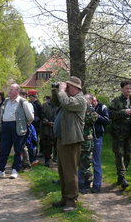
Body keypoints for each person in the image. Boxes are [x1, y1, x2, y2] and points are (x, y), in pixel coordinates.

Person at [51, 76, 86, 212]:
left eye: (69, 86)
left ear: (77, 88)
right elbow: (56, 102)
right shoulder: (67, 98)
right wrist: (56, 91)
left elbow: (65, 102)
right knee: (62, 171)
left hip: (72, 140)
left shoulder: (80, 100)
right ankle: (65, 198)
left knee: (70, 172)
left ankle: (71, 202)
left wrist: (61, 91)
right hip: (62, 139)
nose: (66, 88)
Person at [0, 83, 34, 179]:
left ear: (17, 91)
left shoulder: (23, 102)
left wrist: (24, 124)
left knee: (18, 150)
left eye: (11, 89)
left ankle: (15, 170)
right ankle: (0, 170)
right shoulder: (6, 101)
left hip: (18, 127)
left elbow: (30, 117)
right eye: (9, 89)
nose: (9, 91)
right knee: (3, 149)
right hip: (6, 127)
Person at [109, 80, 131, 189]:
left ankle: (121, 175)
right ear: (122, 89)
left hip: (130, 133)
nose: (129, 90)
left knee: (128, 155)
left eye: (130, 88)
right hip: (118, 133)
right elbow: (111, 114)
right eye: (127, 88)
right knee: (119, 155)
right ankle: (122, 177)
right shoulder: (116, 101)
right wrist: (124, 112)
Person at [78, 93, 98, 194]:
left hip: (87, 142)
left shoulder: (92, 111)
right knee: (79, 163)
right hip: (78, 140)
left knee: (86, 163)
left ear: (90, 101)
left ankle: (87, 183)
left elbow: (91, 120)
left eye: (86, 99)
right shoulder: (80, 110)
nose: (84, 101)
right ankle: (80, 184)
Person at [91, 95, 110, 193]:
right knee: (84, 161)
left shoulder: (103, 107)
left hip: (97, 137)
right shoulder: (85, 107)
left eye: (93, 101)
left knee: (96, 161)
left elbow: (107, 121)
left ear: (96, 100)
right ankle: (83, 183)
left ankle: (97, 185)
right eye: (90, 101)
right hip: (86, 137)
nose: (92, 103)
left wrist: (97, 116)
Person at [40, 95, 57, 167]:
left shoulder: (59, 106)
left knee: (56, 145)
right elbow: (42, 116)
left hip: (56, 129)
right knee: (47, 145)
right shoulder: (45, 105)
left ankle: (56, 159)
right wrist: (47, 122)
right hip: (46, 129)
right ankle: (47, 161)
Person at [28, 89, 43, 157]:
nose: (29, 98)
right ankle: (30, 152)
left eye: (30, 96)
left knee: (34, 139)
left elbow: (41, 115)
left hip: (36, 125)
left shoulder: (38, 104)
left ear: (33, 96)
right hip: (31, 124)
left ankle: (34, 153)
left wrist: (35, 119)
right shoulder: (30, 103)